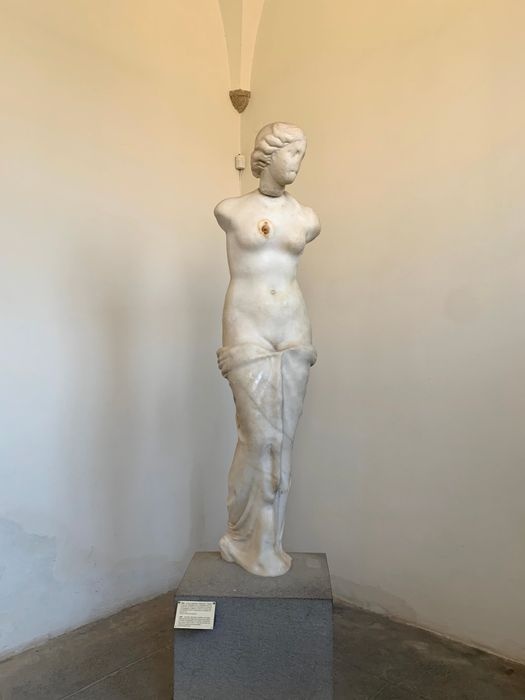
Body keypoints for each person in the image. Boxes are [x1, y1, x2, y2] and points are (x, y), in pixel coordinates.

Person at [214, 122, 321, 576]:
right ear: (268, 154)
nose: (297, 163)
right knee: (258, 439)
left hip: (293, 328)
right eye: (292, 153)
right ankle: (242, 537)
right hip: (247, 328)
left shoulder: (307, 218)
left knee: (283, 442)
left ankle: (269, 543)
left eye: (302, 155)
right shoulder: (230, 210)